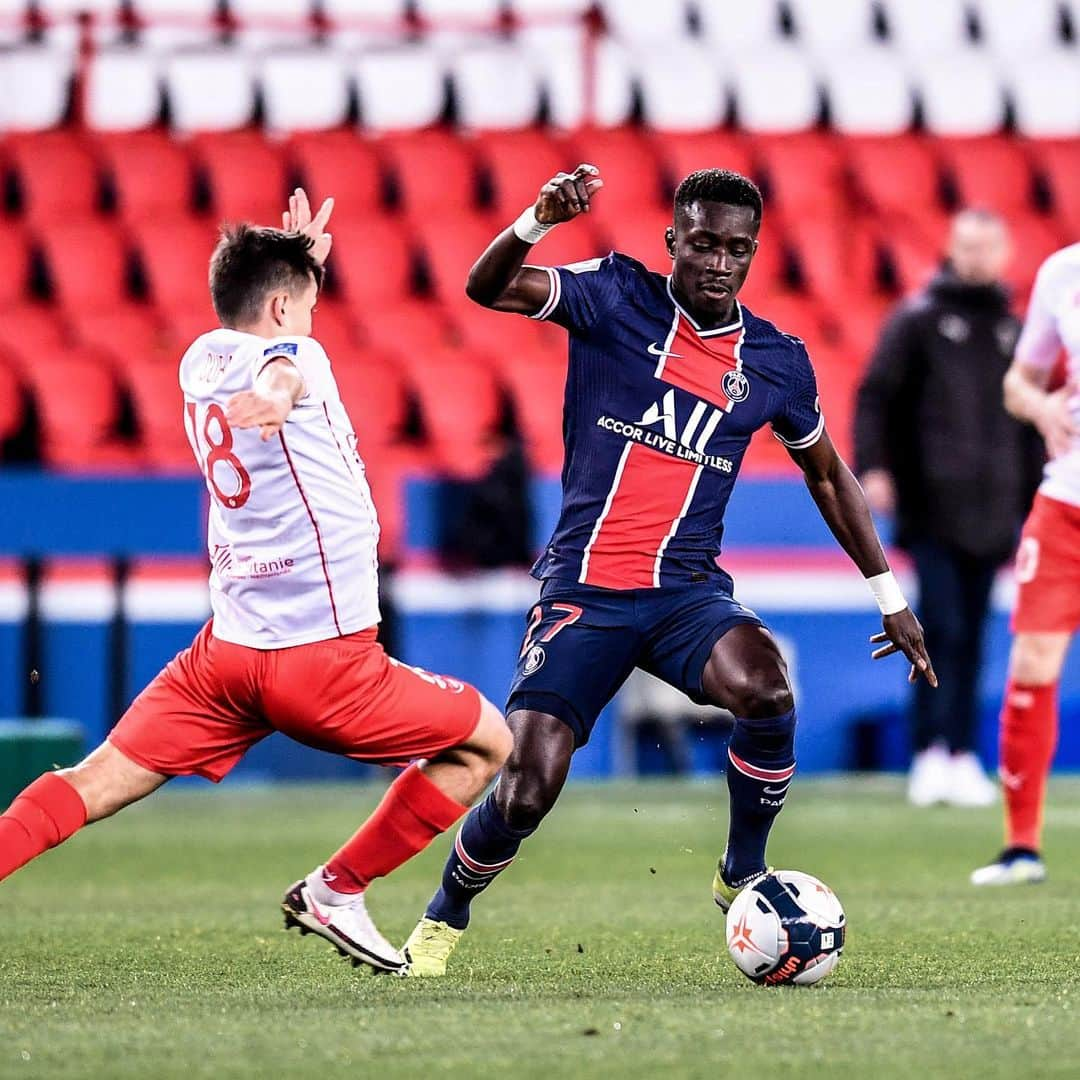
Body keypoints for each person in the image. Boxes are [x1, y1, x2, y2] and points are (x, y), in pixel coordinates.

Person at [401, 165, 936, 976]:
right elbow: (489, 288)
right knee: (527, 788)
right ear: (673, 242)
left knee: (767, 690)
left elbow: (827, 473)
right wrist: (536, 220)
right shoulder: (614, 297)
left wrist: (889, 596)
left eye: (737, 249)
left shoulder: (777, 362)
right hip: (585, 589)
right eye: (704, 244)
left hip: (685, 595)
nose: (719, 262)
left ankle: (741, 870)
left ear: (754, 253)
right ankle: (446, 912)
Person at [0, 190, 512, 972]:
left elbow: (266, 343)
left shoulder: (197, 357)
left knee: (91, 780)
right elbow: (285, 366)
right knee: (486, 744)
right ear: (280, 308)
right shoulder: (295, 356)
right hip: (324, 662)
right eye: (304, 308)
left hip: (226, 657)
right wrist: (276, 389)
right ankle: (338, 888)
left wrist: (297, 270)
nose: (312, 323)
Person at [854, 210, 1040, 807]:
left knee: (977, 634)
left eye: (988, 245)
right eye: (968, 245)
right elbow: (875, 396)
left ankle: (962, 753)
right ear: (951, 249)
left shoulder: (1014, 330)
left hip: (995, 508)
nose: (978, 256)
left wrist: (1037, 494)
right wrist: (874, 467)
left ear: (1005, 251)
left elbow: (1029, 425)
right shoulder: (919, 320)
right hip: (932, 503)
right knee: (940, 627)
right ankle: (930, 751)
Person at [971, 241, 1080, 886]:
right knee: (1033, 663)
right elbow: (1020, 380)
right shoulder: (1063, 272)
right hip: (1066, 502)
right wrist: (1042, 409)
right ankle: (1021, 848)